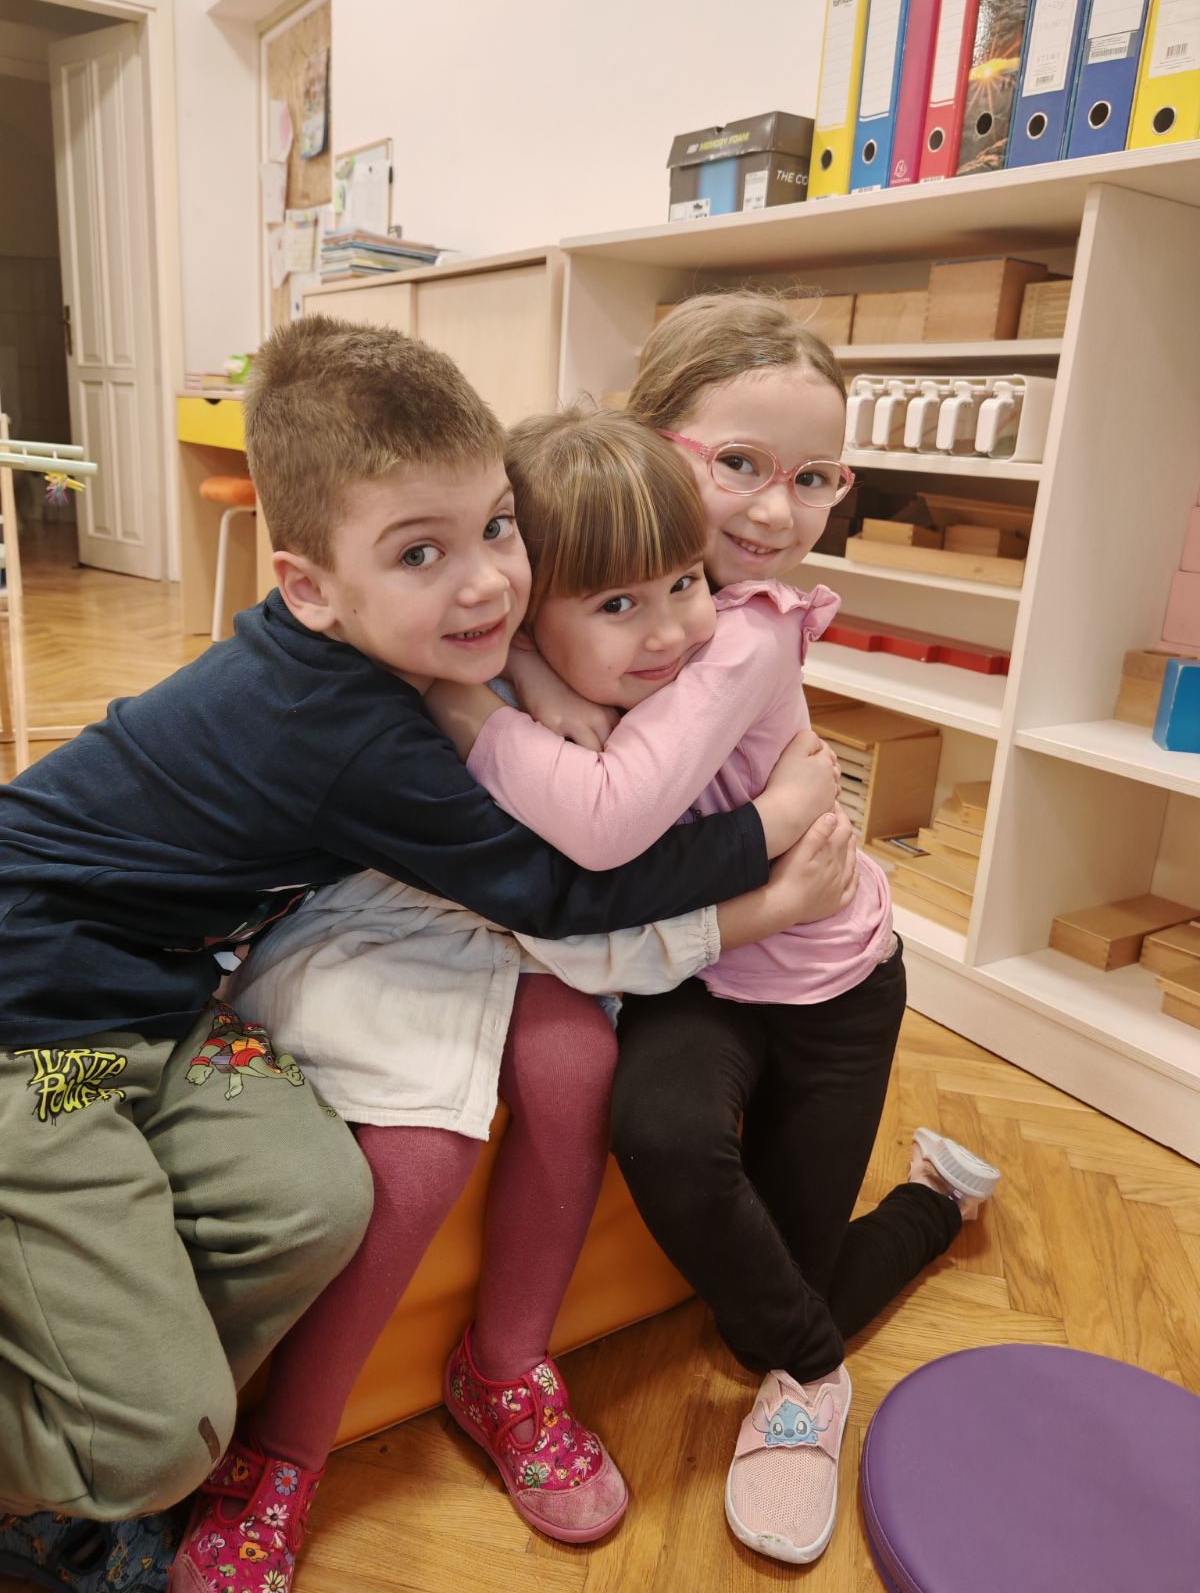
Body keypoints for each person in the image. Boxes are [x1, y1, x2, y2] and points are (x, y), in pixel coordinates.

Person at [0, 314, 825, 1593]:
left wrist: (527, 687)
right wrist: (766, 840)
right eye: (421, 552)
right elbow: (563, 887)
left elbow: (510, 712)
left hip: (156, 1008)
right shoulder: (345, 732)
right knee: (157, 1434)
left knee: (310, 1202)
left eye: (497, 528)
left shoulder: (367, 652)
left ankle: (177, 1419)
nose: (488, 583)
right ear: (310, 587)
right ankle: (124, 1452)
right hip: (37, 1038)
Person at [427, 358, 1001, 1567]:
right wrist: (520, 669)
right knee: (667, 1131)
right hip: (699, 976)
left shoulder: (744, 627)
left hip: (832, 982)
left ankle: (932, 1205)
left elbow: (603, 823)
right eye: (739, 464)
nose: (773, 511)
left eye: (814, 478)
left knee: (768, 1317)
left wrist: (479, 705)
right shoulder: (626, 576)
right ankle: (820, 1359)